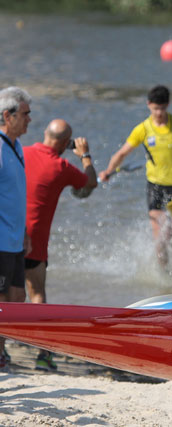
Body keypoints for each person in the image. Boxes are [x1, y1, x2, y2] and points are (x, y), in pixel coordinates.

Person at [98, 85, 172, 268]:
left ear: (168, 105)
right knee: (160, 236)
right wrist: (108, 171)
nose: (159, 113)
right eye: (156, 108)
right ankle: (163, 276)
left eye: (163, 108)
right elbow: (122, 154)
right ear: (148, 105)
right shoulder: (142, 129)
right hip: (155, 187)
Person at [23, 119, 98, 371]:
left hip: (8, 237)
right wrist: (85, 155)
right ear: (66, 144)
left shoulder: (19, 153)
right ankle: (43, 355)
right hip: (35, 243)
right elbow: (90, 182)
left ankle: (2, 354)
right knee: (37, 295)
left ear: (45, 133)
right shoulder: (61, 166)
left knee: (6, 297)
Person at [0, 86, 32, 369]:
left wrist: (24, 231)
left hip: (14, 238)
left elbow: (16, 193)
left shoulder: (17, 146)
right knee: (1, 298)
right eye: (25, 114)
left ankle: (3, 350)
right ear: (7, 116)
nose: (29, 120)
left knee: (17, 297)